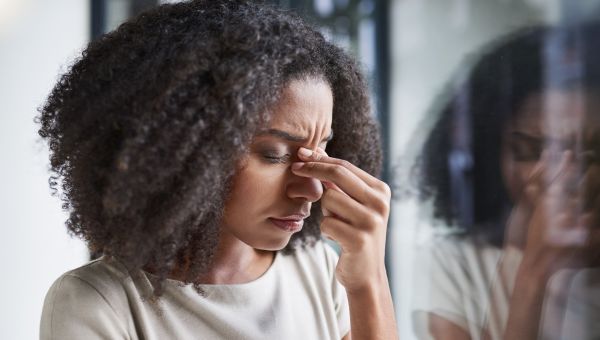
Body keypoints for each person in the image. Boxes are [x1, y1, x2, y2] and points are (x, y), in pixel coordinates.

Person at [36, 1, 398, 339]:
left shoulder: (319, 270)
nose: (313, 189)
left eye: (321, 150)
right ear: (184, 149)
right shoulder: (97, 302)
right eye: (275, 154)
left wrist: (370, 282)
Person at [412, 23, 600, 340]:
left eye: (590, 153)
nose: (561, 175)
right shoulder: (457, 263)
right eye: (528, 151)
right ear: (490, 153)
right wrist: (532, 269)